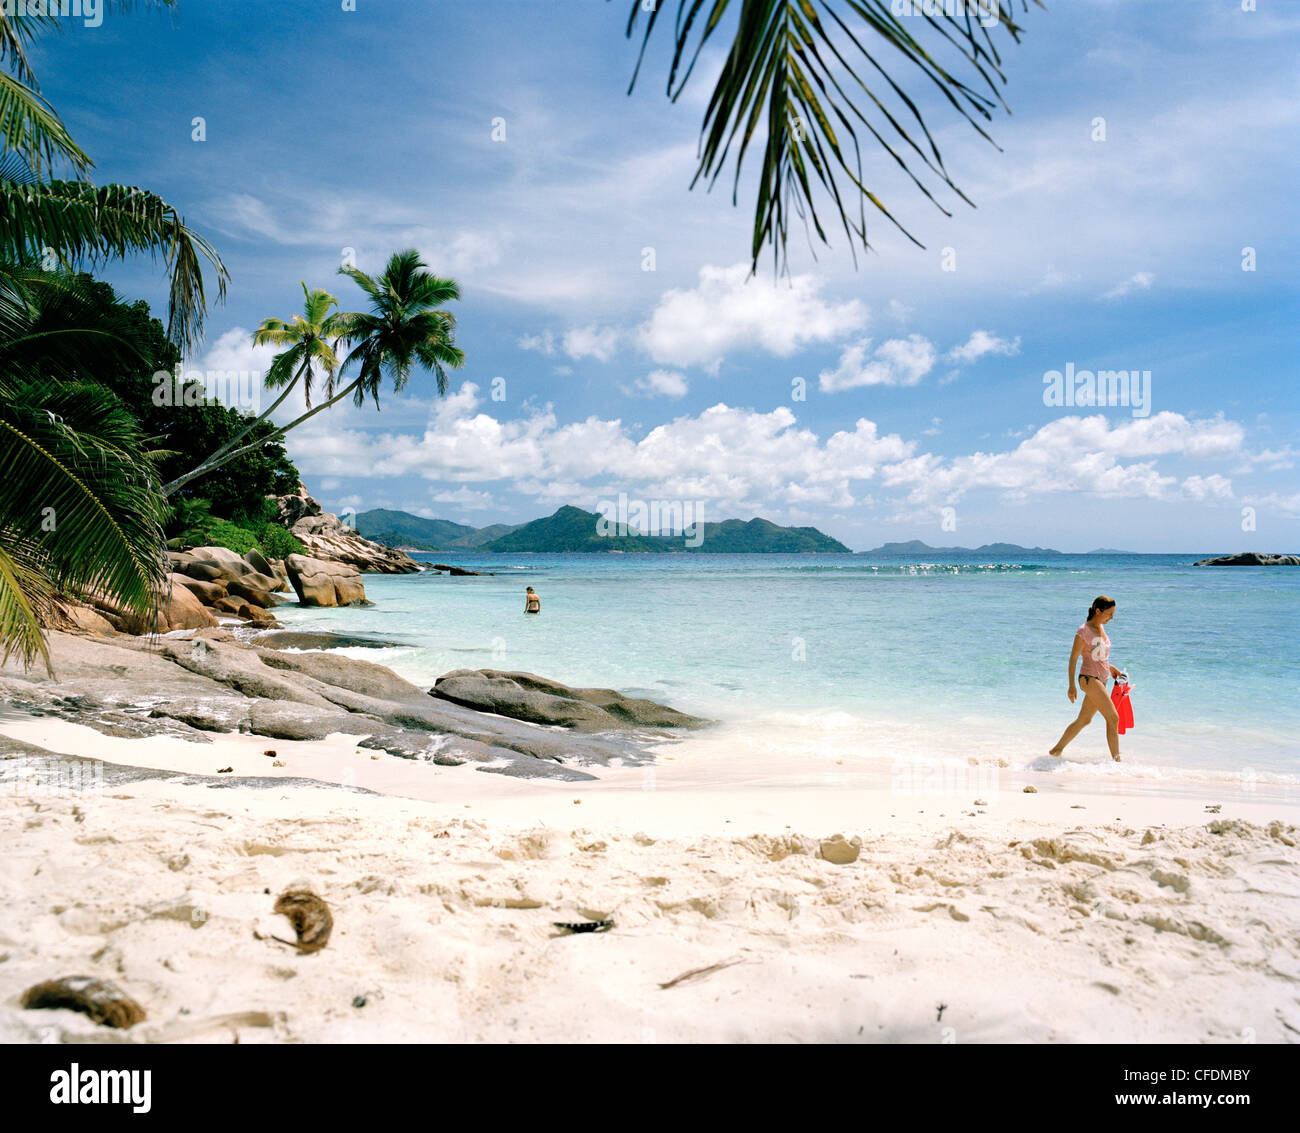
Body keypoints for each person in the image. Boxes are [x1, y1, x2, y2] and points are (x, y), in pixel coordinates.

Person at [1049, 595, 1124, 762]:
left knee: (1084, 720)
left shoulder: (1101, 629)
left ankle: (1056, 750)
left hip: (1102, 679)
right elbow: (1074, 658)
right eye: (1109, 614)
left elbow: (1098, 656)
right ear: (1098, 611)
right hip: (1089, 679)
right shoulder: (1084, 631)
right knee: (1113, 718)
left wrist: (1111, 668)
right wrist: (1071, 686)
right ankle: (1117, 762)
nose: (1111, 618)